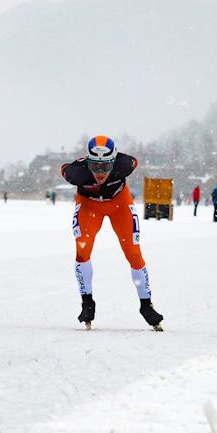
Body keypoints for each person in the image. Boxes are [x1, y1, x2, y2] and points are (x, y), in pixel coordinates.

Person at [61, 135, 164, 331]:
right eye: (95, 166)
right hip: (89, 206)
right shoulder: (76, 173)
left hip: (120, 204)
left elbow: (133, 160)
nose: (100, 173)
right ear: (87, 163)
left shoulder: (124, 165)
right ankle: (87, 303)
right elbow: (64, 169)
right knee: (82, 248)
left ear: (114, 162)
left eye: (106, 167)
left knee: (133, 252)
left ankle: (146, 305)